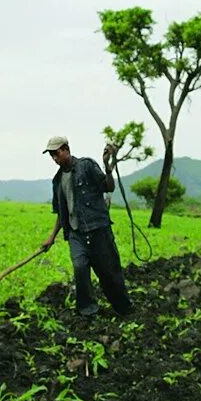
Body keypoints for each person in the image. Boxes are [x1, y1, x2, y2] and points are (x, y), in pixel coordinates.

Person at [41, 135, 133, 318]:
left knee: (109, 272)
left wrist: (108, 167)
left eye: (56, 153)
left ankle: (124, 309)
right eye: (51, 155)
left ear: (66, 149)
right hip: (76, 233)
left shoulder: (87, 166)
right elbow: (61, 212)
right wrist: (51, 237)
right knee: (80, 267)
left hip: (98, 229)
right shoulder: (57, 181)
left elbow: (108, 187)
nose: (54, 158)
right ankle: (88, 310)